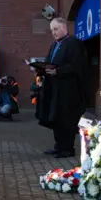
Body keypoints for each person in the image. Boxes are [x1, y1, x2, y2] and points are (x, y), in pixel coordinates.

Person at [36, 17, 87, 158]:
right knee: (56, 118)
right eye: (52, 30)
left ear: (64, 27)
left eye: (56, 29)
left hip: (68, 90)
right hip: (54, 88)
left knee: (66, 119)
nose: (53, 32)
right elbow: (49, 62)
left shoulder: (74, 43)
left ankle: (68, 149)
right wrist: (39, 69)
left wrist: (58, 71)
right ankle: (58, 146)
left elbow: (76, 65)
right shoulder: (54, 45)